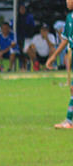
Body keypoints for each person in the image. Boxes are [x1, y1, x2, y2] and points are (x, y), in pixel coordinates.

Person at [46, 0, 73, 129]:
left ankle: (69, 121)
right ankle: (69, 121)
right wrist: (54, 56)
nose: (67, 1)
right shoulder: (69, 18)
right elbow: (66, 39)